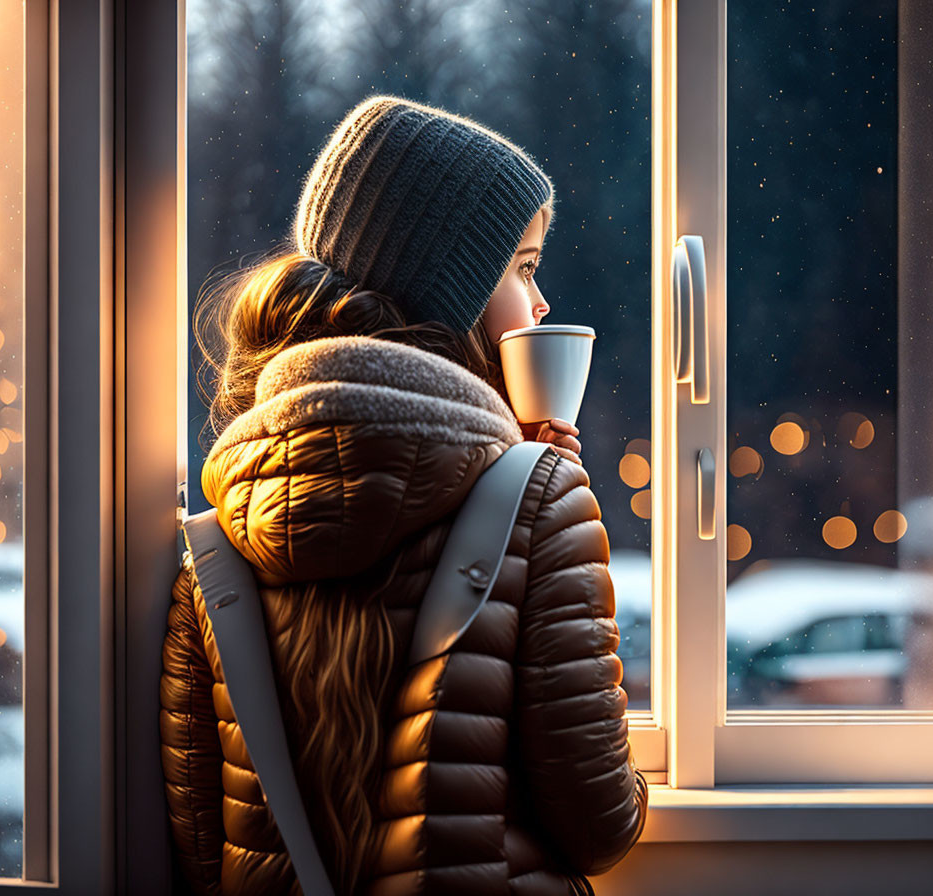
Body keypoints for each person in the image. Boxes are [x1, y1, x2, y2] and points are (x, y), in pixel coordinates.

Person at [160, 95, 648, 896]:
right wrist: (528, 494)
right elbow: (600, 825)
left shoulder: (214, 543)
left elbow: (201, 845)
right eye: (524, 267)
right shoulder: (542, 501)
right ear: (447, 296)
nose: (541, 303)